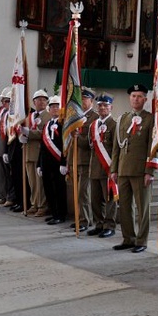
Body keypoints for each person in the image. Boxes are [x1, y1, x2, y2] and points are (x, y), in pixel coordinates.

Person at [110, 84, 157, 253]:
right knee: (125, 206)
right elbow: (117, 146)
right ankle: (128, 238)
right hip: (123, 169)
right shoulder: (123, 118)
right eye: (133, 96)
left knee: (142, 207)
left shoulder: (151, 119)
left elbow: (152, 147)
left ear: (145, 99)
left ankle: (141, 240)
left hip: (140, 171)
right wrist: (114, 169)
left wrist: (149, 171)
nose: (135, 99)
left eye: (139, 96)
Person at [87, 93, 118, 238]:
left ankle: (109, 226)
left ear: (111, 107)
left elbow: (116, 148)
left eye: (105, 105)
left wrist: (114, 168)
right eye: (100, 105)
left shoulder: (114, 125)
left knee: (110, 199)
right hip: (94, 167)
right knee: (95, 199)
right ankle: (99, 224)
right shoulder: (93, 125)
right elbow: (90, 146)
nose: (102, 108)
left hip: (108, 168)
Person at [19, 89, 51, 217]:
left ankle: (42, 205)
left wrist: (29, 133)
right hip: (28, 151)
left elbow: (44, 132)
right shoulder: (30, 116)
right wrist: (21, 136)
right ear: (34, 102)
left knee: (40, 183)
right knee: (32, 181)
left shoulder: (48, 116)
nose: (42, 102)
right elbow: (22, 130)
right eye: (39, 100)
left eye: (44, 99)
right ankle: (33, 204)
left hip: (39, 152)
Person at [37, 96, 68, 225]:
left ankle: (60, 214)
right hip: (46, 163)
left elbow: (66, 144)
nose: (55, 109)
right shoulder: (46, 124)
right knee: (48, 189)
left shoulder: (64, 124)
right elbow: (43, 145)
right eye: (52, 106)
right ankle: (53, 212)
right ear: (49, 109)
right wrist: (39, 164)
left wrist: (63, 162)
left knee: (59, 189)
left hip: (58, 162)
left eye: (57, 106)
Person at [71, 87, 97, 231]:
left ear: (91, 100)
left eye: (85, 98)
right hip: (77, 160)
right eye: (81, 99)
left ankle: (85, 220)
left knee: (84, 193)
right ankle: (79, 217)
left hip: (88, 160)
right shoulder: (77, 116)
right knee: (77, 192)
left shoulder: (94, 118)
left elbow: (90, 141)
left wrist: (77, 137)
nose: (82, 101)